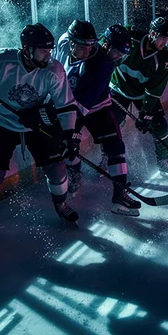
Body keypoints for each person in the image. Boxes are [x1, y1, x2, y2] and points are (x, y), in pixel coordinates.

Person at [0, 23, 80, 242]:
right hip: (1, 123)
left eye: (49, 50)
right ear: (27, 49)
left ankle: (62, 204)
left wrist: (68, 135)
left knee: (57, 167)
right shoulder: (2, 60)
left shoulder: (54, 70)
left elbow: (65, 105)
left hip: (36, 125)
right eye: (43, 50)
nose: (48, 55)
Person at [55, 20, 139, 216]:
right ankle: (75, 173)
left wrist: (72, 132)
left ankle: (120, 195)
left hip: (95, 107)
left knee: (115, 146)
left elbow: (82, 107)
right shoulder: (64, 41)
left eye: (122, 54)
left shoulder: (103, 65)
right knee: (68, 148)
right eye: (117, 51)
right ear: (106, 44)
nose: (118, 58)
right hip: (66, 105)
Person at [109, 16, 168, 176]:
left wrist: (146, 113)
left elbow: (154, 89)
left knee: (160, 124)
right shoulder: (130, 38)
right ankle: (107, 156)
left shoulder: (164, 60)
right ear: (152, 33)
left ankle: (163, 161)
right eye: (163, 38)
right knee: (112, 125)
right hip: (118, 88)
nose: (166, 43)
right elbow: (107, 42)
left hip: (142, 94)